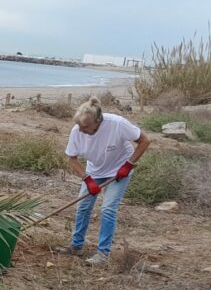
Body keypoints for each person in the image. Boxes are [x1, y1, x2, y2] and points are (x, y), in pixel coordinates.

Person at [62, 97, 151, 265]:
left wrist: (128, 164)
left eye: (85, 126)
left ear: (97, 121)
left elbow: (144, 141)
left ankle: (103, 253)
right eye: (79, 126)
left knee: (108, 209)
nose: (81, 130)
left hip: (119, 170)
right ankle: (76, 246)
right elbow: (72, 159)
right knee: (83, 206)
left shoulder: (117, 124)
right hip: (94, 171)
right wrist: (87, 179)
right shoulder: (77, 131)